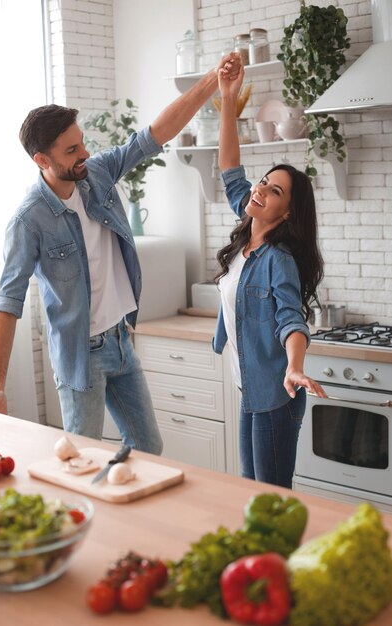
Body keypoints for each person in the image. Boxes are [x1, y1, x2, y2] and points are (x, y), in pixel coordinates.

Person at [0, 53, 241, 454]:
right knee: (80, 455)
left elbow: (155, 133)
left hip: (122, 340)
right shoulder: (29, 220)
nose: (84, 153)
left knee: (147, 449)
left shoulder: (96, 174)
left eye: (82, 142)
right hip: (80, 357)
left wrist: (214, 81)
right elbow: (7, 303)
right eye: (72, 150)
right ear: (42, 160)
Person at [213, 60, 327, 488]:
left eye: (274, 190)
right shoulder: (248, 226)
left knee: (272, 498)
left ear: (288, 211)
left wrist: (295, 366)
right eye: (263, 181)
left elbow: (290, 319)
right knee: (252, 491)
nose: (259, 189)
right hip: (250, 390)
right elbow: (229, 167)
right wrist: (227, 100)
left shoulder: (278, 258)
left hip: (277, 396)